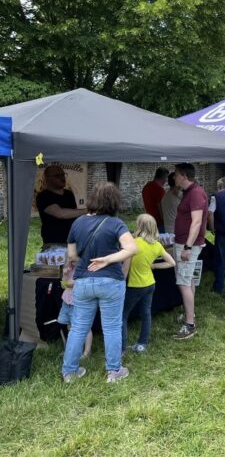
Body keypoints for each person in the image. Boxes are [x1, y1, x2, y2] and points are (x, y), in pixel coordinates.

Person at [61, 182, 138, 383]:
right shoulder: (116, 223)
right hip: (111, 281)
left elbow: (71, 255)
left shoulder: (77, 223)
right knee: (111, 327)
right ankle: (114, 371)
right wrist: (108, 259)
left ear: (92, 199)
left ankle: (69, 372)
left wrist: (86, 262)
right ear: (115, 202)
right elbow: (132, 248)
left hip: (83, 282)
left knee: (78, 327)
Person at [121, 214, 176, 353]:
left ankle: (122, 348)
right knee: (146, 314)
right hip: (150, 283)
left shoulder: (133, 244)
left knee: (122, 316)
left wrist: (120, 284)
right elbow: (172, 262)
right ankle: (142, 344)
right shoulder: (156, 245)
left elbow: (125, 269)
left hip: (135, 285)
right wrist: (155, 266)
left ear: (138, 226)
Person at [172, 163, 208, 340]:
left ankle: (190, 324)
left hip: (188, 245)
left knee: (183, 282)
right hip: (184, 242)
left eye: (176, 175)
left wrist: (187, 246)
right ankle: (190, 314)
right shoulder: (189, 192)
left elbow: (196, 222)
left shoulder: (195, 193)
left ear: (184, 176)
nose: (174, 177)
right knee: (189, 279)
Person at [36, 165, 86, 246]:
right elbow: (60, 214)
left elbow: (74, 215)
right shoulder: (44, 196)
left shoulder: (68, 194)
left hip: (72, 242)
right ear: (47, 178)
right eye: (57, 176)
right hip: (54, 243)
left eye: (63, 174)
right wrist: (87, 210)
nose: (62, 178)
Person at [57, 258, 93, 359]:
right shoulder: (70, 269)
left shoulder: (84, 270)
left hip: (78, 304)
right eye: (70, 259)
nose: (71, 261)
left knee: (85, 328)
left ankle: (87, 352)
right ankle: (73, 350)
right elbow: (63, 286)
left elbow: (69, 284)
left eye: (73, 259)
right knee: (70, 327)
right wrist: (64, 274)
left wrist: (65, 280)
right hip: (67, 302)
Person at [142, 167, 169, 232]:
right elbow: (161, 208)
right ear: (163, 177)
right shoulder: (159, 190)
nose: (166, 180)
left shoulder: (146, 186)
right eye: (166, 178)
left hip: (150, 220)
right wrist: (165, 221)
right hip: (159, 223)